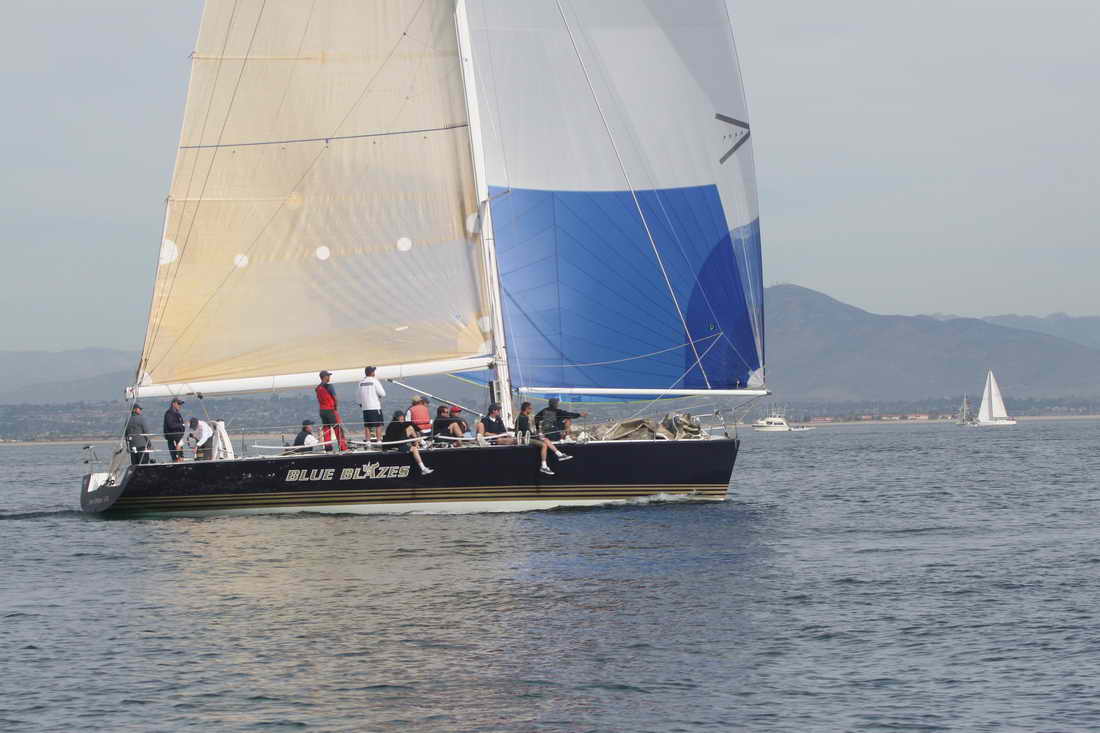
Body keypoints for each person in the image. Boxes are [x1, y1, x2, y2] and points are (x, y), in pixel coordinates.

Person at [516, 401, 572, 475]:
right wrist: (537, 436)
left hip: (528, 436)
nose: (531, 410)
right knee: (544, 445)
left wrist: (537, 435)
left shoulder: (523, 416)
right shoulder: (523, 418)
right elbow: (525, 432)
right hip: (524, 438)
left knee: (545, 439)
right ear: (527, 409)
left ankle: (559, 454)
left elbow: (528, 431)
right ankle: (544, 466)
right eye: (530, 409)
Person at [315, 370, 347, 451]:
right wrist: (336, 408)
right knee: (337, 428)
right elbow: (335, 398)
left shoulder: (317, 388)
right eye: (328, 376)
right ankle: (343, 447)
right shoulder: (329, 386)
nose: (329, 377)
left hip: (322, 411)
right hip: (330, 410)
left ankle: (328, 447)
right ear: (324, 377)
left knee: (326, 429)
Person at [358, 366, 386, 444]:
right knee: (378, 424)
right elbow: (383, 394)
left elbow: (358, 396)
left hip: (365, 408)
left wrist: (361, 403)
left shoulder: (361, 382)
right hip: (375, 407)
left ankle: (368, 441)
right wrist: (378, 396)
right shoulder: (375, 381)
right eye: (373, 371)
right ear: (372, 373)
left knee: (367, 425)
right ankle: (379, 440)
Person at [162, 397, 186, 463]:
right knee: (176, 457)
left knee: (181, 456)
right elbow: (171, 425)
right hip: (173, 438)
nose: (180, 405)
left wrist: (183, 427)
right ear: (173, 404)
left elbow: (181, 424)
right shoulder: (169, 413)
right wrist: (182, 425)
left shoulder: (177, 413)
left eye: (180, 404)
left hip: (178, 438)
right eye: (178, 404)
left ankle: (180, 461)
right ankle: (177, 462)